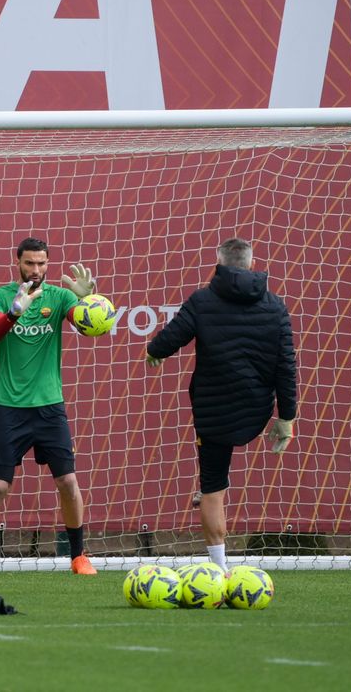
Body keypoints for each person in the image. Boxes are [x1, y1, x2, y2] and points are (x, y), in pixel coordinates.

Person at [144, 237, 298, 573]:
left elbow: (170, 337)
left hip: (213, 410)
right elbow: (286, 365)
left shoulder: (203, 300)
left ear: (219, 261)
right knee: (216, 481)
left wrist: (153, 352)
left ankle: (220, 568)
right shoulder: (275, 306)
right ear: (250, 262)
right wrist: (286, 417)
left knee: (212, 486)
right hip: (256, 408)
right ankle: (215, 493)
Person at [0, 237, 100, 576]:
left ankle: (78, 555)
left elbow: (91, 326)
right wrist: (15, 310)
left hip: (50, 407)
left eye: (41, 264)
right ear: (18, 263)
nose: (36, 270)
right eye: (30, 264)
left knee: (68, 482)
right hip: (9, 407)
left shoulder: (59, 297)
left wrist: (87, 300)